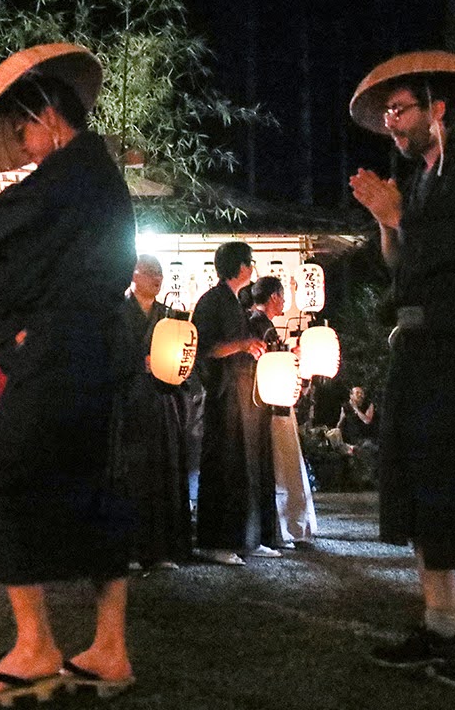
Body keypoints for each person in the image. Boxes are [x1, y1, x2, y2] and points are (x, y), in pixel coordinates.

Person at [0, 43, 137, 704]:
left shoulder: (74, 170)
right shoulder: (86, 173)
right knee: (92, 487)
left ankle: (37, 645)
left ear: (49, 112)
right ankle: (109, 650)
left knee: (6, 476)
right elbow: (33, 240)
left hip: (70, 348)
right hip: (92, 347)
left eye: (23, 128)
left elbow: (16, 232)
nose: (22, 144)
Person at [348, 52, 455, 688]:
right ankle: (441, 621)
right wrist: (386, 220)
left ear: (437, 109)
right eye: (388, 114)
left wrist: (398, 217)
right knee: (423, 489)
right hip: (420, 352)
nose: (392, 124)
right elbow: (406, 267)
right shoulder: (419, 183)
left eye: (401, 110)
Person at [191, 241, 275, 566]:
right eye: (251, 263)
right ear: (241, 267)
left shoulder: (234, 302)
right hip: (222, 394)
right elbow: (205, 347)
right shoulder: (212, 302)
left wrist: (250, 348)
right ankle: (215, 542)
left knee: (242, 467)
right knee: (222, 467)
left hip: (241, 394)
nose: (253, 269)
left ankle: (244, 539)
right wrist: (241, 344)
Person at [115, 254, 193, 570]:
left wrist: (176, 368)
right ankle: (130, 550)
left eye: (159, 273)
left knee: (165, 474)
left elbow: (186, 358)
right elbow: (109, 356)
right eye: (150, 272)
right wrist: (138, 364)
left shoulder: (170, 316)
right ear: (134, 275)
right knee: (131, 476)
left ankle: (162, 550)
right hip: (129, 403)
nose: (157, 278)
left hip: (162, 402)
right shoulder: (117, 313)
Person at [248, 276, 317, 551]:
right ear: (275, 297)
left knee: (281, 467)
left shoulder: (259, 323)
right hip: (269, 405)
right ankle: (281, 530)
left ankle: (286, 529)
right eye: (283, 295)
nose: (285, 300)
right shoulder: (257, 324)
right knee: (278, 467)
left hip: (274, 401)